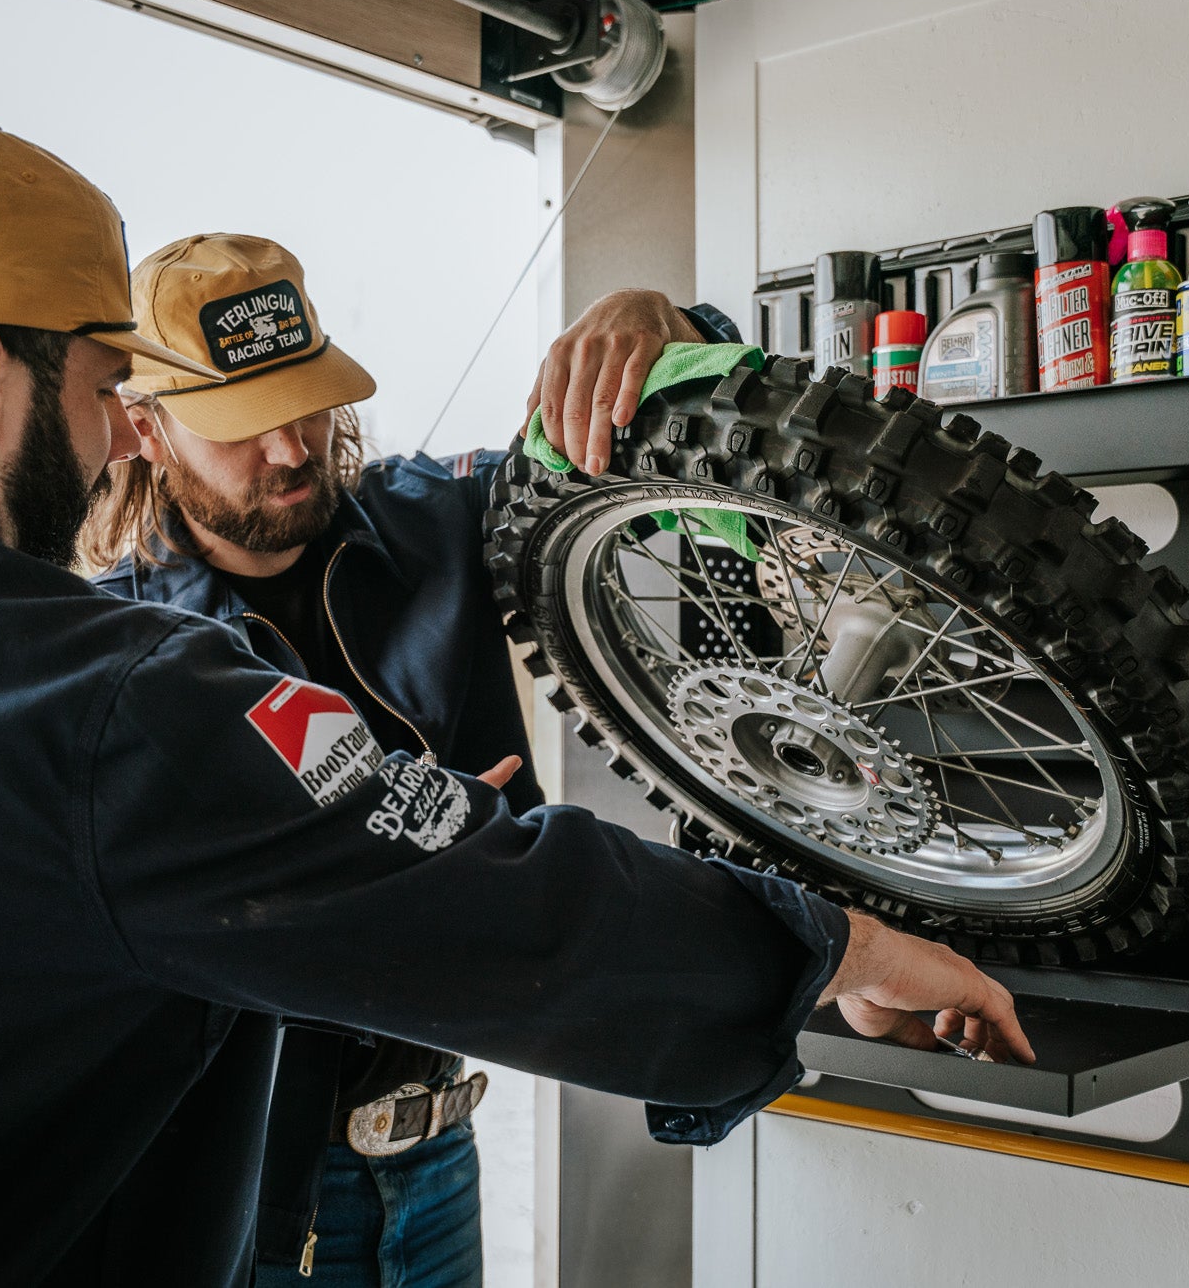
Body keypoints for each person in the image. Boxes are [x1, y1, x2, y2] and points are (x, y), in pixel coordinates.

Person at [0, 124, 1032, 1285]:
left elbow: (680, 515)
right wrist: (823, 943)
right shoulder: (94, 690)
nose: (115, 426)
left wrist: (659, 320)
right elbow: (494, 901)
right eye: (104, 383)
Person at [77, 233, 729, 1285]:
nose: (292, 449)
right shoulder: (110, 661)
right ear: (143, 427)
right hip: (244, 1188)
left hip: (438, 1153)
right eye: (244, 425)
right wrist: (410, 853)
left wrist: (668, 324)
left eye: (308, 402)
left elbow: (665, 441)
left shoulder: (435, 518)